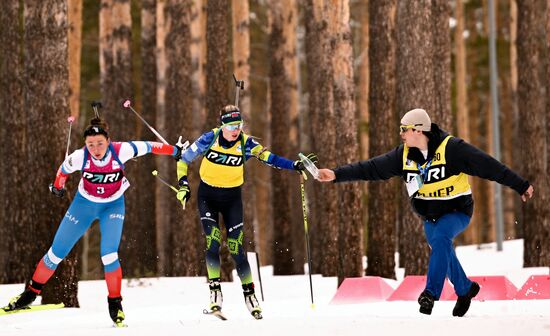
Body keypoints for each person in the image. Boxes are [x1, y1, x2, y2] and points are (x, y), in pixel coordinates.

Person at [316, 108, 534, 317]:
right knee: (442, 248)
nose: (400, 134)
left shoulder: (452, 149)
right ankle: (465, 288)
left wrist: (521, 185)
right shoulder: (402, 156)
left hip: (457, 211)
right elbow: (369, 168)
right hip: (430, 215)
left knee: (440, 239)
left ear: (419, 130)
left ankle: (430, 294)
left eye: (404, 129)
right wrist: (335, 174)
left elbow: (489, 166)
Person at [3, 116, 181, 326]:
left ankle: (115, 303)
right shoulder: (79, 157)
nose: (96, 148)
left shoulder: (121, 150)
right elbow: (63, 171)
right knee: (55, 254)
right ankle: (30, 294)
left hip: (112, 206)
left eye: (100, 143)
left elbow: (151, 146)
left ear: (108, 140)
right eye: (90, 144)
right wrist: (58, 187)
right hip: (83, 205)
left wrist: (175, 151)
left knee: (109, 254)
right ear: (85, 144)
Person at [175, 105, 316, 319]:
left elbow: (270, 158)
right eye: (231, 125)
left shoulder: (246, 143)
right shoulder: (209, 139)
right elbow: (183, 159)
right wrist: (183, 185)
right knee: (213, 240)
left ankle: (250, 296)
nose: (236, 130)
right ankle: (215, 293)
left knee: (236, 247)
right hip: (208, 196)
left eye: (239, 125)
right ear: (222, 125)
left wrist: (294, 165)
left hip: (232, 199)